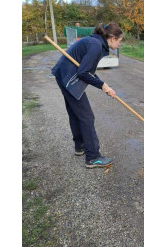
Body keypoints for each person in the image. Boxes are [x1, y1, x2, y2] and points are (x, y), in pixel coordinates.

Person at [51, 22, 123, 169]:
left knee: (76, 113)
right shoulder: (96, 45)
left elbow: (87, 69)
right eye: (119, 41)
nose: (119, 44)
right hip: (68, 77)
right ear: (112, 38)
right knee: (87, 116)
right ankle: (93, 157)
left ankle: (80, 146)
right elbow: (83, 73)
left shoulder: (96, 42)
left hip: (63, 75)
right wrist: (103, 86)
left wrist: (104, 85)